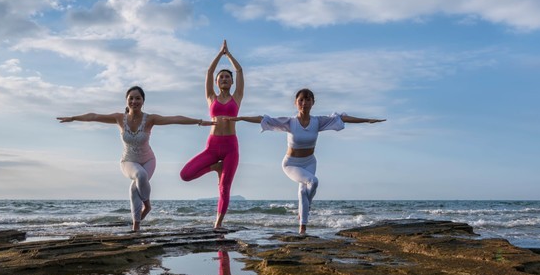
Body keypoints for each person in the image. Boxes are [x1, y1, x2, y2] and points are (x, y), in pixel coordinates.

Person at [222, 88, 384, 235]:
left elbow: (342, 118)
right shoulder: (289, 122)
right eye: (301, 100)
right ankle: (308, 206)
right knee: (313, 181)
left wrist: (367, 120)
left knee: (302, 192)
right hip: (291, 164)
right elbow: (264, 119)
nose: (304, 103)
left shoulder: (318, 121)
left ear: (313, 102)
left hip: (310, 162)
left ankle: (302, 228)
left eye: (308, 100)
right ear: (296, 103)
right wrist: (240, 118)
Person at [58, 86, 209, 232]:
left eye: (138, 98)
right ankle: (147, 205)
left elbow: (175, 119)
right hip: (128, 161)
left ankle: (136, 227)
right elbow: (94, 116)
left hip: (149, 160)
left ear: (143, 101)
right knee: (140, 175)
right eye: (131, 98)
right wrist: (73, 118)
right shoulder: (119, 118)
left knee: (133, 189)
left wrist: (199, 121)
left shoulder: (150, 119)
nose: (134, 101)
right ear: (126, 101)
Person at [179, 40, 245, 229]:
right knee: (186, 174)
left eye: (227, 77)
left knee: (224, 188)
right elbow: (208, 72)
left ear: (231, 82)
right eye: (221, 77)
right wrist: (219, 54)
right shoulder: (211, 98)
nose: (224, 79)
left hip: (231, 147)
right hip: (213, 146)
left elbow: (240, 71)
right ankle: (215, 167)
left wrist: (229, 55)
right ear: (216, 82)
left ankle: (217, 225)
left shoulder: (237, 97)